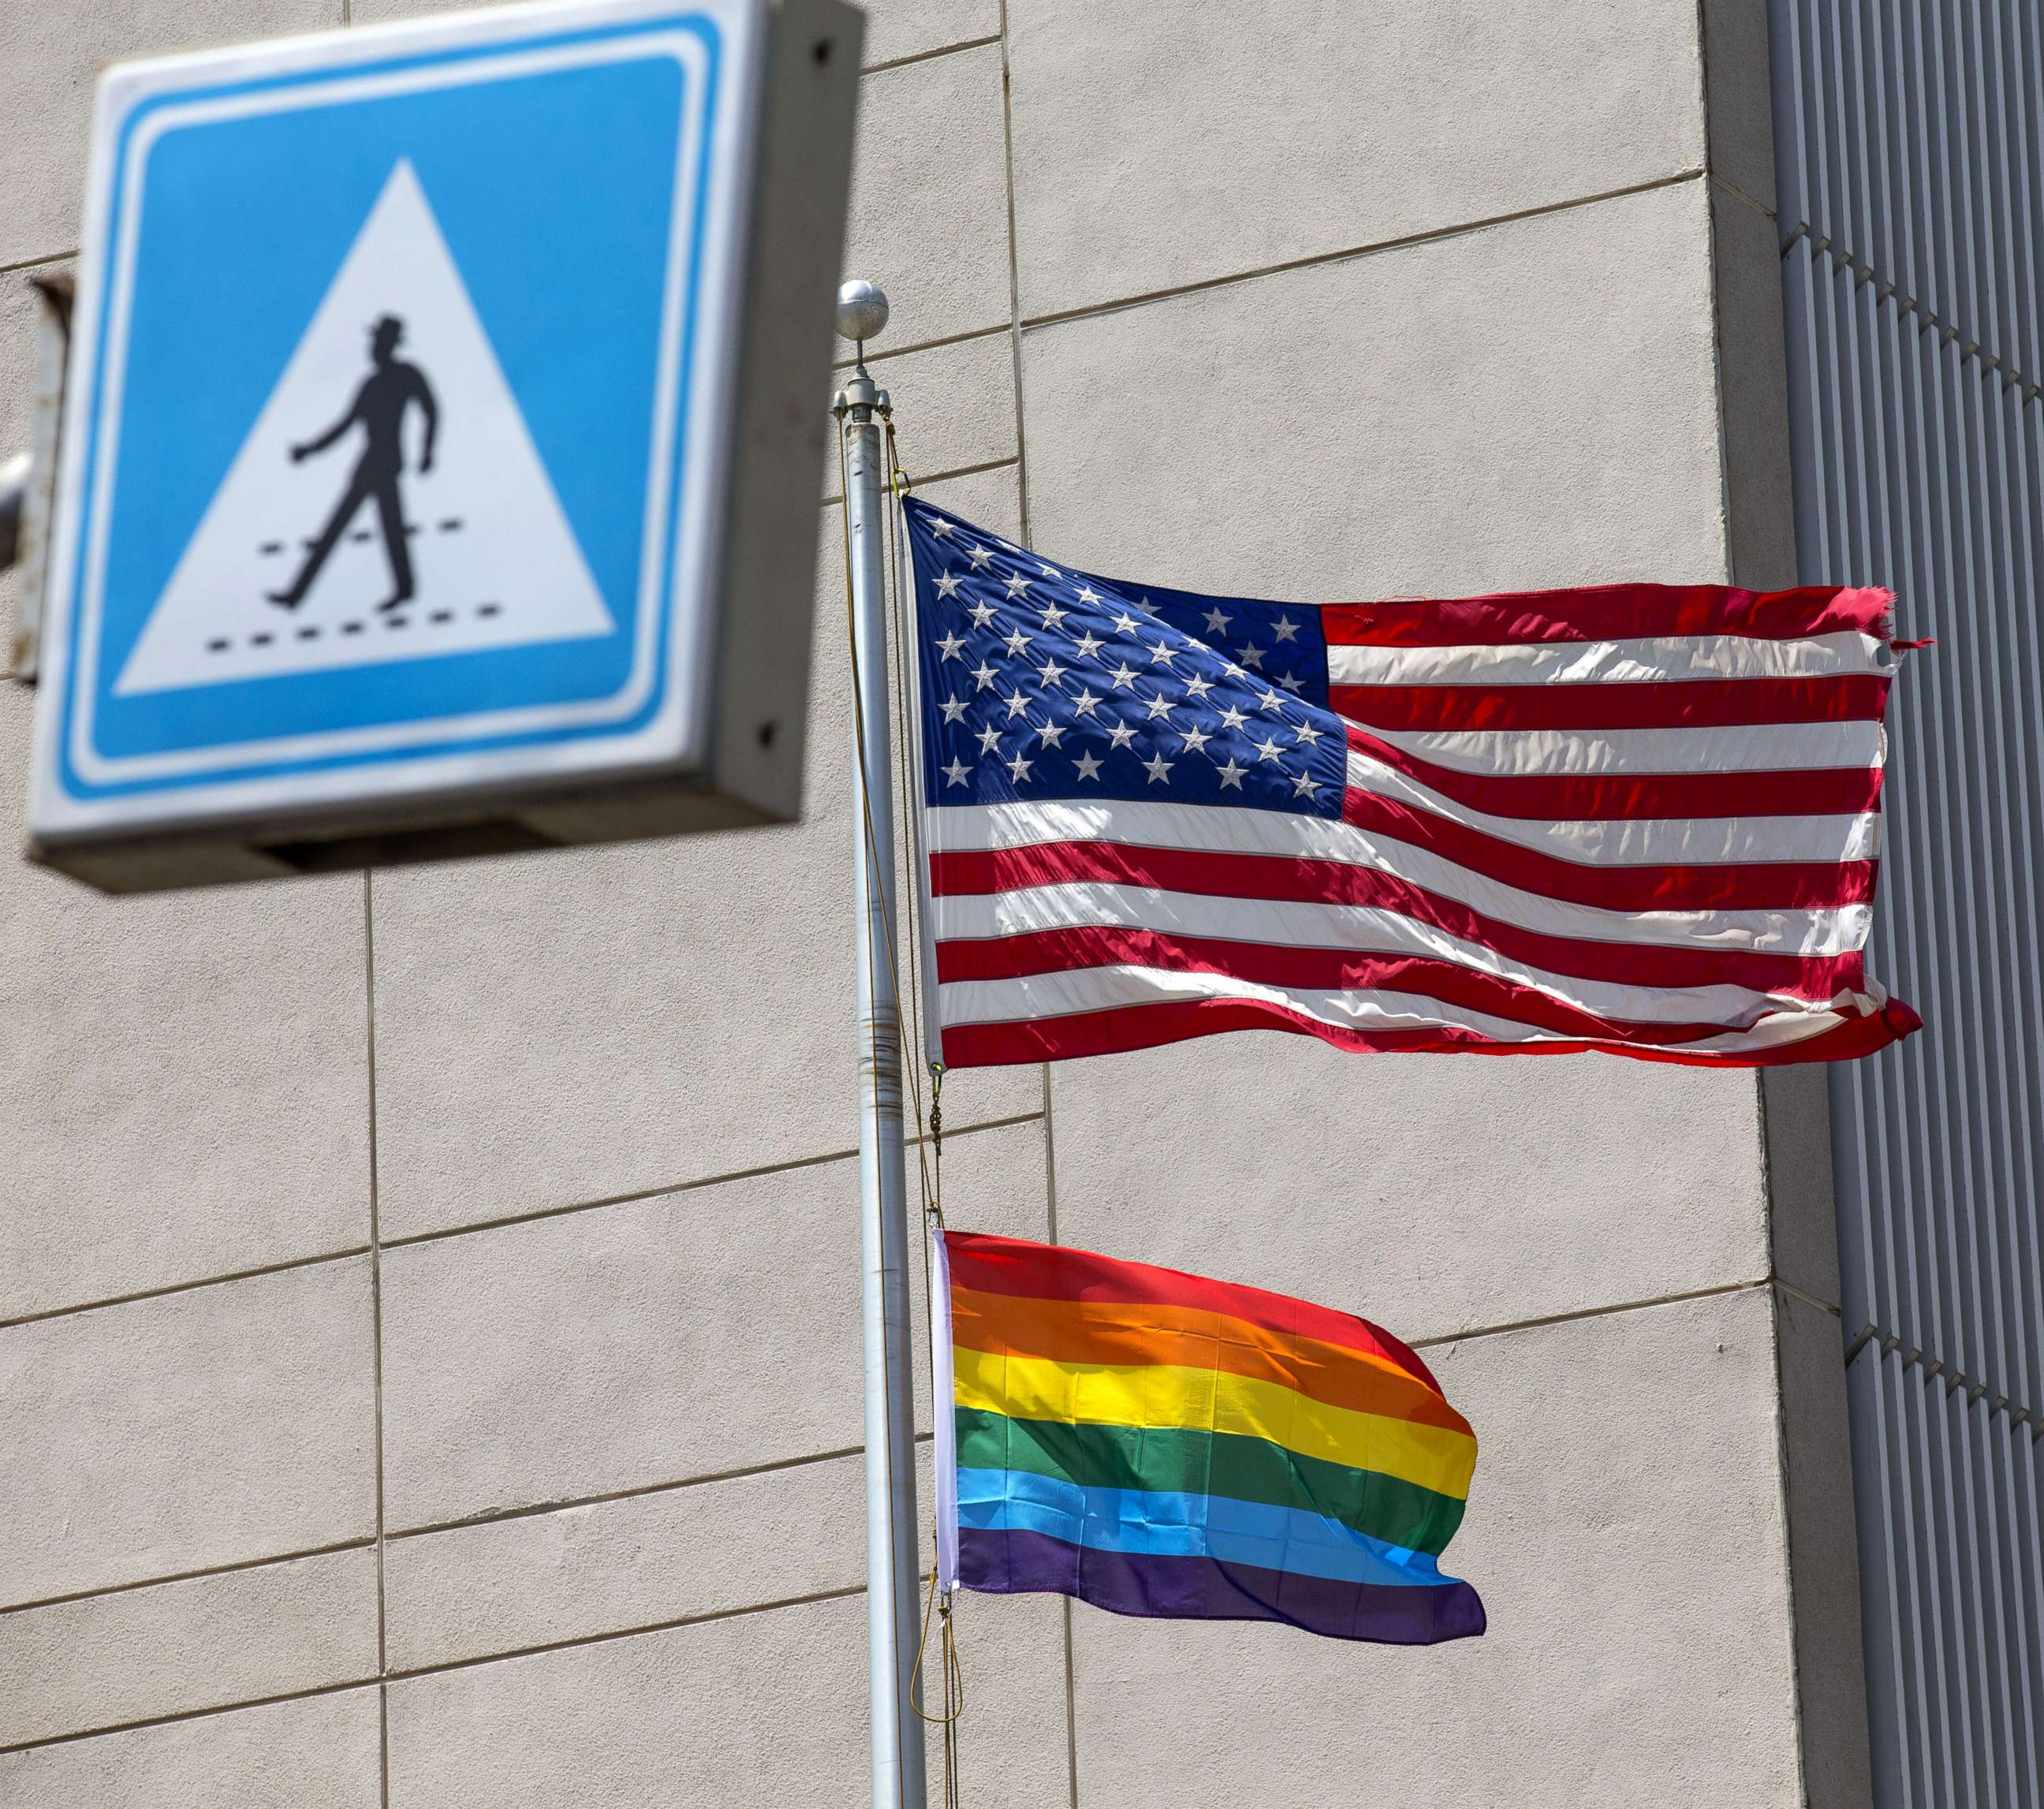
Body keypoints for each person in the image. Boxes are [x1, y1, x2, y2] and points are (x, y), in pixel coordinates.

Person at [268, 313, 439, 612]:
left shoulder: (407, 374)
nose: (372, 347)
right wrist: (308, 450)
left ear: (389, 345)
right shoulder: (370, 385)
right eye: (373, 341)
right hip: (369, 466)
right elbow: (345, 426)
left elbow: (431, 410)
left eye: (377, 342)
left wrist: (427, 451)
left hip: (385, 466)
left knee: (374, 530)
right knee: (370, 530)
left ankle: (298, 595)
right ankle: (297, 595)